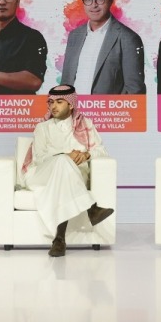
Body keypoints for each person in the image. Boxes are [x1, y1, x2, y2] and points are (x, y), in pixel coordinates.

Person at [21, 84, 116, 256]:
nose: (53, 106)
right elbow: (39, 158)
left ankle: (59, 240)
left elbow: (101, 151)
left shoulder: (85, 124)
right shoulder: (43, 127)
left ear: (71, 104)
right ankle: (92, 209)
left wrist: (86, 155)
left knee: (64, 173)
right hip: (42, 175)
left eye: (59, 102)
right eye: (51, 102)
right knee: (63, 161)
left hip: (73, 177)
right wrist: (66, 156)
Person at [60, 0, 146, 95]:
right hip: (74, 106)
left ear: (111, 0)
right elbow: (66, 82)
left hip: (107, 107)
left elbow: (135, 91)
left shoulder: (128, 39)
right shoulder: (74, 36)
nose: (94, 5)